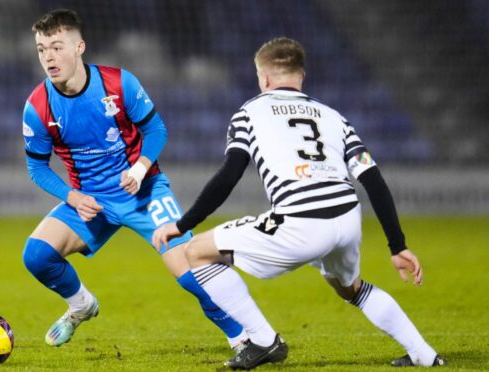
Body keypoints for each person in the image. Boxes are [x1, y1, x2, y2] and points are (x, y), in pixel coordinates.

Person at [153, 37, 446, 370]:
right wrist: (398, 245)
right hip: (347, 219)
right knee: (352, 289)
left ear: (263, 78)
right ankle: (424, 354)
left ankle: (264, 341)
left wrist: (183, 224)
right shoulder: (334, 117)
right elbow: (373, 179)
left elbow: (230, 173)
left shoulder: (249, 112)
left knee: (196, 252)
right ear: (301, 76)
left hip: (301, 219)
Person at [21, 9, 246, 350]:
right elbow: (37, 167)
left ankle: (244, 338)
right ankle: (81, 305)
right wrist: (72, 197)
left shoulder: (118, 83)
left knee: (190, 273)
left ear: (79, 47)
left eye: (56, 46)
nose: (48, 57)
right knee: (36, 255)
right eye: (41, 49)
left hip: (144, 193)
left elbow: (155, 129)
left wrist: (140, 169)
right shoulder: (38, 107)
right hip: (91, 202)